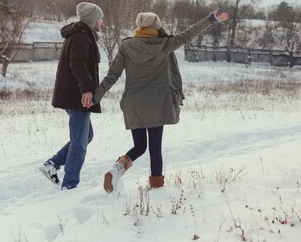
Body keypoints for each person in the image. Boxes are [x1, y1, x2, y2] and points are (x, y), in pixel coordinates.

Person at [92, 10, 228, 193]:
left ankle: (116, 170)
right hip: (157, 105)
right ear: (156, 27)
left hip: (134, 105)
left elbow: (112, 75)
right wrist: (211, 19)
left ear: (138, 27)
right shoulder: (165, 45)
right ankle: (156, 188)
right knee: (155, 150)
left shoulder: (127, 46)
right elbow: (189, 33)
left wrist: (96, 95)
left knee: (140, 146)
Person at [39, 2, 104, 190]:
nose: (102, 21)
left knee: (86, 136)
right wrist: (86, 89)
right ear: (93, 20)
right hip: (77, 97)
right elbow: (77, 64)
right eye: (100, 18)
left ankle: (52, 164)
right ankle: (70, 184)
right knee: (79, 142)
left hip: (75, 95)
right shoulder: (81, 37)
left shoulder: (83, 35)